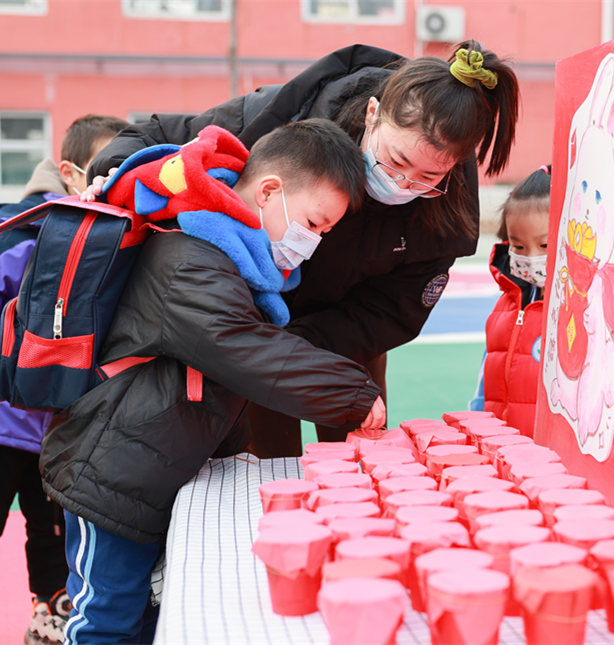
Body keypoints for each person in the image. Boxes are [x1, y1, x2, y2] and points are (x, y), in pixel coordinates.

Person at [39, 119, 385, 643]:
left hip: (146, 466)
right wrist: (356, 395)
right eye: (313, 223)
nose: (312, 242)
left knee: (143, 614)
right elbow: (245, 350)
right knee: (105, 621)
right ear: (270, 191)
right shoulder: (192, 260)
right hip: (109, 475)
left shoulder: (228, 259)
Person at [87, 40, 520, 456]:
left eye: (428, 178)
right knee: (271, 464)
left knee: (360, 453)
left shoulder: (446, 208)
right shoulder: (288, 116)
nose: (403, 184)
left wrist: (299, 346)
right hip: (255, 328)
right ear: (373, 114)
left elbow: (394, 311)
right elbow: (164, 133)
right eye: (397, 161)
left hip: (348, 339)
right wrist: (111, 169)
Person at [0, 113, 129, 645]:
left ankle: (49, 618)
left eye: (126, 166)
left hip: (61, 426)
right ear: (73, 173)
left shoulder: (116, 237)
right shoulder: (34, 232)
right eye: (107, 166)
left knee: (54, 534)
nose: (117, 178)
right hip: (8, 419)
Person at [469, 165, 551, 437]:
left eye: (545, 246)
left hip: (549, 459)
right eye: (518, 246)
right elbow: (485, 380)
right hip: (502, 449)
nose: (530, 256)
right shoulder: (505, 307)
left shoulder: (576, 313)